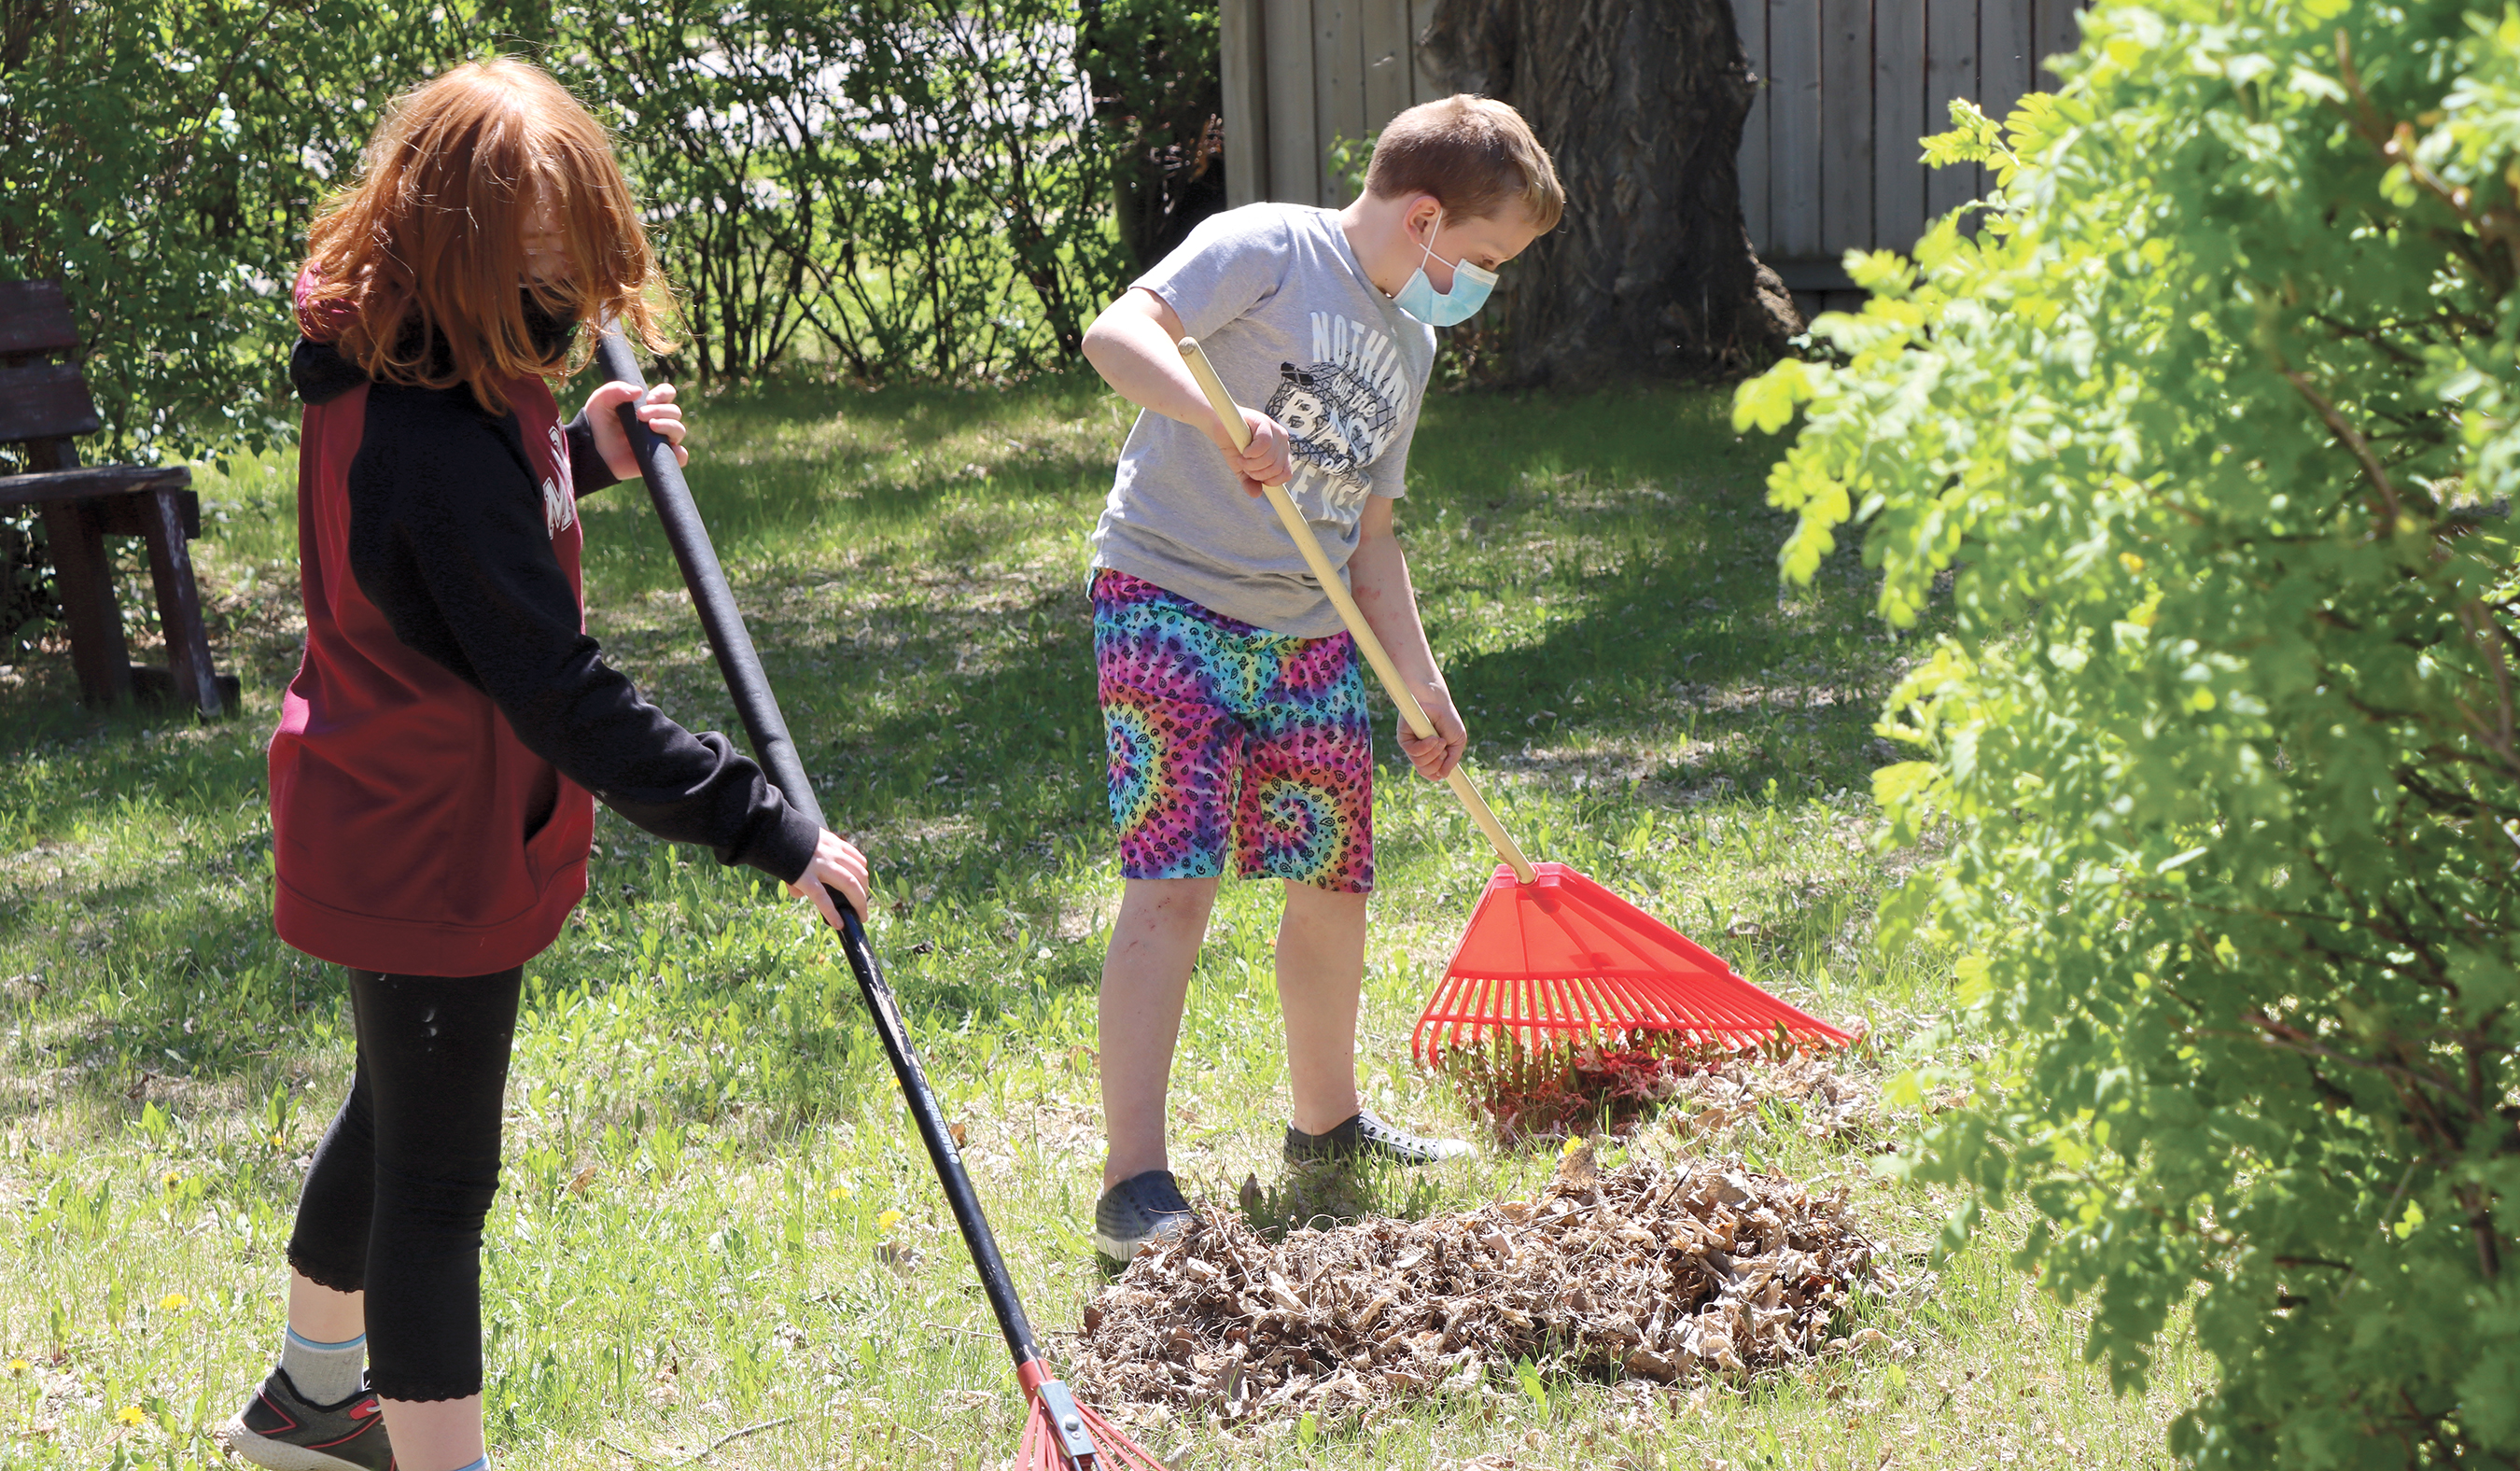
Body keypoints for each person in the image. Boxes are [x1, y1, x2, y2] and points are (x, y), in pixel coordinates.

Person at [213, 60, 869, 1471]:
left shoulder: (415, 354)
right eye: (538, 285)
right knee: (439, 1186)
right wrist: (766, 828)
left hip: (398, 805)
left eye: (574, 279)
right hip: (424, 838)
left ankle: (310, 1402)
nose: (563, 314)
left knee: (395, 1110)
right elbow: (557, 688)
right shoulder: (430, 436)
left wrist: (583, 451)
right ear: (455, 250)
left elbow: (459, 553)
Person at [1076, 94, 1563, 1259]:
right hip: (1166, 601)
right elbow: (1117, 333)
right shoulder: (1269, 246)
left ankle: (1327, 1125)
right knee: (1175, 882)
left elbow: (1373, 536)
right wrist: (1221, 411)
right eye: (1485, 260)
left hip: (1309, 633)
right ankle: (1133, 1177)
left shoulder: (1412, 341)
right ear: (1428, 216)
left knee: (1332, 883)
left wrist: (1422, 683)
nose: (1481, 283)